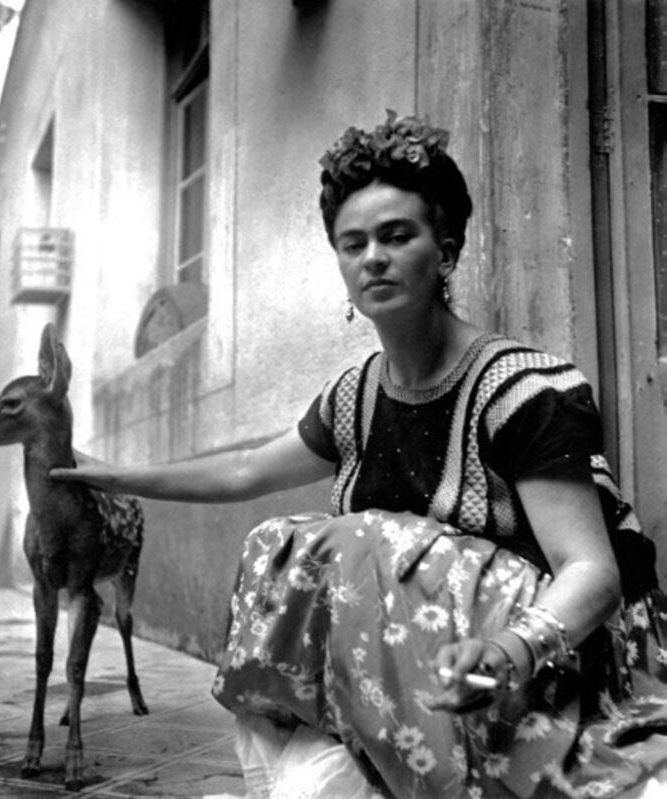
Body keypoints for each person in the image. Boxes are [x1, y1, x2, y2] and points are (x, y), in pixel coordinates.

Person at [52, 111, 667, 798]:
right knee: (275, 544)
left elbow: (591, 573)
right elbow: (245, 469)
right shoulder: (354, 396)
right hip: (431, 660)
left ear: (447, 251)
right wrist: (111, 474)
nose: (371, 256)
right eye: (352, 243)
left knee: (360, 540)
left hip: (561, 654)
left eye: (396, 235)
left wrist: (504, 650)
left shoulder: (521, 388)